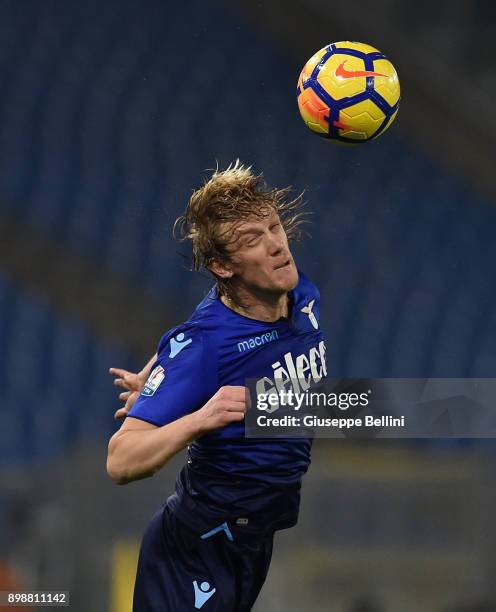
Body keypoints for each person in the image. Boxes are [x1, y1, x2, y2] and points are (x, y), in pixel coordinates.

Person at [106, 161, 327, 611]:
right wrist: (199, 416)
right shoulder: (204, 348)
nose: (277, 246)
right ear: (222, 265)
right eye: (252, 240)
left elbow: (203, 324)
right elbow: (120, 461)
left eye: (274, 226)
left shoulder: (299, 292)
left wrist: (159, 364)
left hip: (253, 540)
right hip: (195, 549)